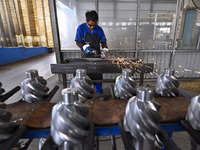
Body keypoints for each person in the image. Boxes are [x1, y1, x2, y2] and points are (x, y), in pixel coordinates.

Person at [75, 10, 109, 94]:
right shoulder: (81, 28)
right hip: (85, 57)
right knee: (86, 77)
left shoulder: (99, 29)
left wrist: (104, 49)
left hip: (96, 57)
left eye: (94, 25)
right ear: (86, 21)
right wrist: (85, 47)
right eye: (90, 25)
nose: (92, 27)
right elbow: (78, 41)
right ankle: (86, 94)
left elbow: (103, 42)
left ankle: (98, 93)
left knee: (97, 75)